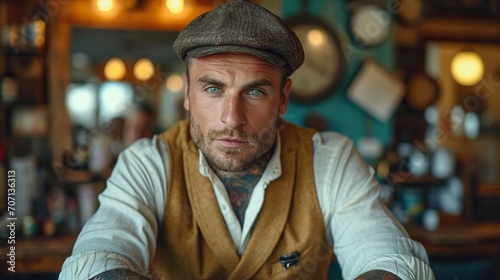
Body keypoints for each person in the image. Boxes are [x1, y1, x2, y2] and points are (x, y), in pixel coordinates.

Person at [59, 1, 434, 279]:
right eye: (212, 89)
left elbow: (388, 257)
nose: (231, 118)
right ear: (187, 94)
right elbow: (99, 257)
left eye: (255, 92)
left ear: (283, 98)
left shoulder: (329, 160)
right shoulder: (150, 162)